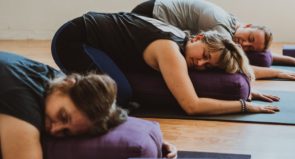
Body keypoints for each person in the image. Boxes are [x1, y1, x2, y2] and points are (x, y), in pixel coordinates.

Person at [0, 51, 177, 159]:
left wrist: (155, 141)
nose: (54, 129)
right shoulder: (20, 101)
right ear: (67, 84)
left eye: (65, 132)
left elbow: (109, 113)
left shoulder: (59, 84)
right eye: (63, 116)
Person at [52, 11, 280, 116]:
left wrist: (250, 88)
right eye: (205, 56)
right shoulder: (171, 50)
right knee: (118, 94)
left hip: (95, 39)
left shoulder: (183, 39)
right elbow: (192, 106)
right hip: (73, 40)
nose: (200, 64)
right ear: (199, 37)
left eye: (208, 66)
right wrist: (244, 106)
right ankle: (55, 87)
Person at [132, 0, 295, 72]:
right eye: (250, 38)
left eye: (250, 48)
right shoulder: (222, 28)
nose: (245, 45)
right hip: (150, 15)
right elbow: (239, 67)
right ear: (247, 25)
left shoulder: (232, 23)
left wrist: (294, 61)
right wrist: (278, 73)